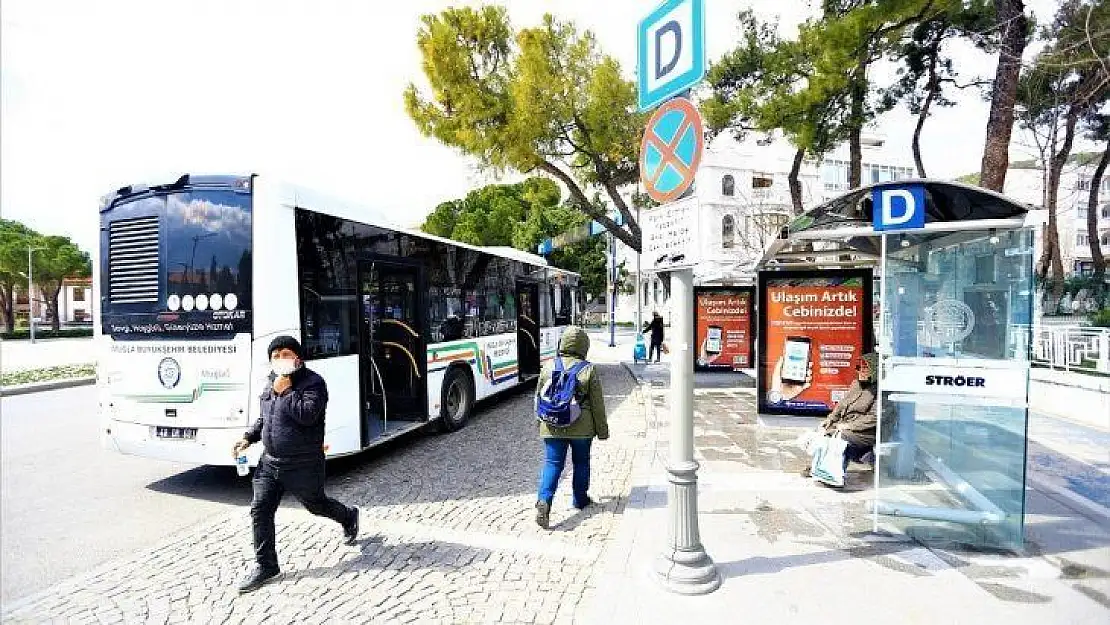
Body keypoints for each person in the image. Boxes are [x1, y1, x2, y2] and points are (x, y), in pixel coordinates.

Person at [232, 336, 359, 593]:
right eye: (275, 355)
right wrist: (248, 437)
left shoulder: (313, 383)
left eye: (286, 354)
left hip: (303, 464)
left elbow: (308, 415)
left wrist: (286, 391)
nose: (280, 360)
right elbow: (266, 419)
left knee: (316, 505)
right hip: (269, 463)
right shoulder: (271, 382)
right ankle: (266, 565)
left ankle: (348, 516)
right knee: (260, 510)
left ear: (298, 357)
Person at [535, 326, 609, 529]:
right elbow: (597, 403)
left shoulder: (549, 366)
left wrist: (540, 424)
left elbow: (538, 397)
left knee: (552, 464)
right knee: (581, 462)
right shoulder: (588, 369)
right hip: (582, 427)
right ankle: (580, 499)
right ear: (584, 346)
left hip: (552, 423)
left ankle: (544, 501)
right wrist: (602, 431)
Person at [802, 352, 878, 478]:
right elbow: (841, 405)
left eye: (866, 369)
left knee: (839, 437)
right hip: (846, 425)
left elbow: (874, 417)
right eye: (859, 368)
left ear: (874, 370)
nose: (861, 372)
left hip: (866, 432)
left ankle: (834, 472)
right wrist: (830, 420)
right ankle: (819, 466)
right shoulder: (856, 384)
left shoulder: (879, 390)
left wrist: (849, 426)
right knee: (824, 432)